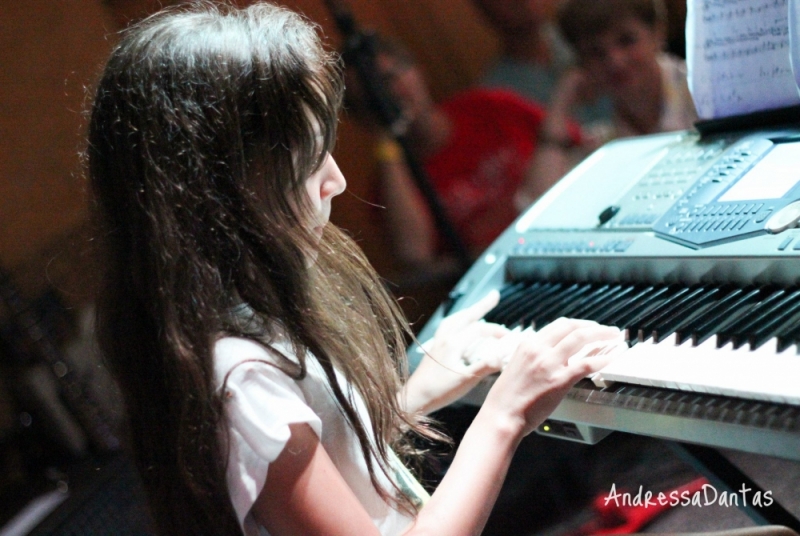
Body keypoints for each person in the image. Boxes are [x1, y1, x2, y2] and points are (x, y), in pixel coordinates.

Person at [86, 3, 624, 536]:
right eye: (307, 155)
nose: (336, 180)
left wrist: (414, 392)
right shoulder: (238, 378)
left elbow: (338, 459)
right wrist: (506, 416)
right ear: (216, 189)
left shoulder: (247, 326)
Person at [344, 37, 581, 269]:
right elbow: (416, 255)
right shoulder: (388, 188)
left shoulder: (488, 106)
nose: (388, 96)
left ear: (415, 70)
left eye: (389, 79)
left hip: (568, 236)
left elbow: (576, 146)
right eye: (369, 96)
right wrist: (387, 139)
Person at [520, 0, 698, 208]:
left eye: (626, 40)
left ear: (657, 33)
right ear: (582, 64)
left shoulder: (706, 92)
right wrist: (561, 103)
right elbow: (536, 206)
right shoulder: (601, 138)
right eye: (596, 53)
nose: (615, 61)